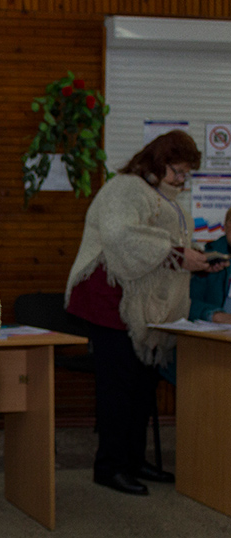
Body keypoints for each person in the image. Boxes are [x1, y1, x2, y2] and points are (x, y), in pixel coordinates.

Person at [65, 130, 226, 496]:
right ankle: (109, 466)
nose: (182, 180)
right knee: (117, 389)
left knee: (141, 389)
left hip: (143, 308)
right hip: (112, 303)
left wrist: (199, 258)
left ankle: (134, 461)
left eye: (187, 174)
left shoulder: (164, 198)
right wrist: (179, 255)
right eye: (178, 171)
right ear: (157, 162)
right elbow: (123, 236)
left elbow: (173, 245)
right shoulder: (125, 188)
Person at [189, 206, 231, 323]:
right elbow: (187, 304)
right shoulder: (208, 260)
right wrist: (215, 315)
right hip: (216, 334)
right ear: (226, 226)